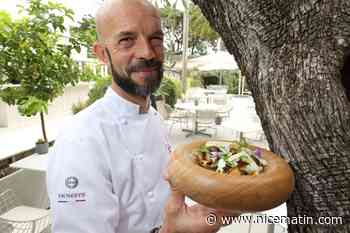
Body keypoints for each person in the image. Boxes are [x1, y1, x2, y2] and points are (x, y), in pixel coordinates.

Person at [46, 0, 235, 232]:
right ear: (102, 54)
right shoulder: (79, 141)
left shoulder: (154, 117)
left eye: (156, 39)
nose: (147, 52)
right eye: (126, 40)